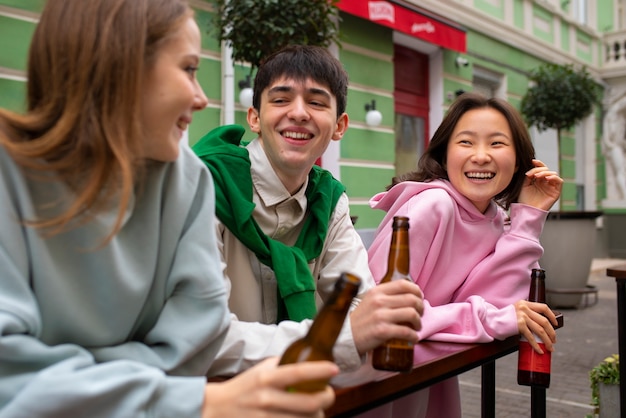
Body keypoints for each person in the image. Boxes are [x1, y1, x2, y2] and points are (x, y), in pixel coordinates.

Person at [0, 1, 339, 417]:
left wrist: (65, 376)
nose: (200, 97)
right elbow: (8, 378)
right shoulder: (9, 176)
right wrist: (188, 398)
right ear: (120, 65)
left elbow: (195, 349)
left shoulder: (186, 180)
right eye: (190, 69)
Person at [192, 45, 424, 377]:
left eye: (316, 102)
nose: (299, 113)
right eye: (281, 99)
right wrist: (340, 338)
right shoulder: (204, 184)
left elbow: (361, 304)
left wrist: (360, 327)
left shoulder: (328, 200)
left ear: (339, 126)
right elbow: (204, 339)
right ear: (255, 118)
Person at [364, 92, 563, 418]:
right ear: (444, 153)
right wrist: (498, 318)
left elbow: (498, 303)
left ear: (519, 161)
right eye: (466, 142)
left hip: (428, 377)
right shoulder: (431, 206)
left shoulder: (495, 218)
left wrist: (528, 217)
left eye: (497, 143)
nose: (481, 156)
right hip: (379, 383)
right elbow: (381, 314)